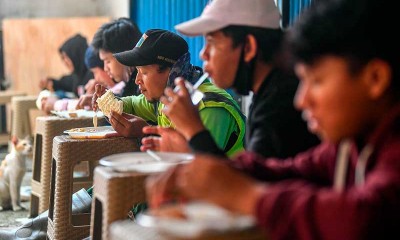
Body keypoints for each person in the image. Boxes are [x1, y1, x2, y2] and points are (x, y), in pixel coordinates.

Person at [146, 0, 400, 239]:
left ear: (375, 79)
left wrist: (247, 196)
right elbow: (292, 170)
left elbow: (362, 218)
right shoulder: (350, 144)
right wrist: (215, 171)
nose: (301, 101)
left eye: (317, 81)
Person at [142, 0, 319, 159]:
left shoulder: (282, 109)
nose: (203, 54)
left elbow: (252, 188)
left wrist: (194, 132)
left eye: (212, 42)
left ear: (249, 48)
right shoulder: (269, 92)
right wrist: (188, 149)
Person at [93, 29, 246, 157]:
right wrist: (108, 100)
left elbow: (197, 169)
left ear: (172, 72)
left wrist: (145, 133)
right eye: (137, 72)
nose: (137, 80)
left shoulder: (209, 108)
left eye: (144, 72)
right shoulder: (166, 97)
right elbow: (131, 104)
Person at [91, 17, 142, 98]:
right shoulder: (129, 83)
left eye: (108, 61)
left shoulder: (143, 87)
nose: (105, 69)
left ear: (125, 55)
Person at [39, 34, 93, 98]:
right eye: (63, 58)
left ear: (76, 55)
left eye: (66, 57)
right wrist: (51, 83)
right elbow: (64, 83)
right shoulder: (77, 77)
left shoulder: (94, 75)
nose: (65, 62)